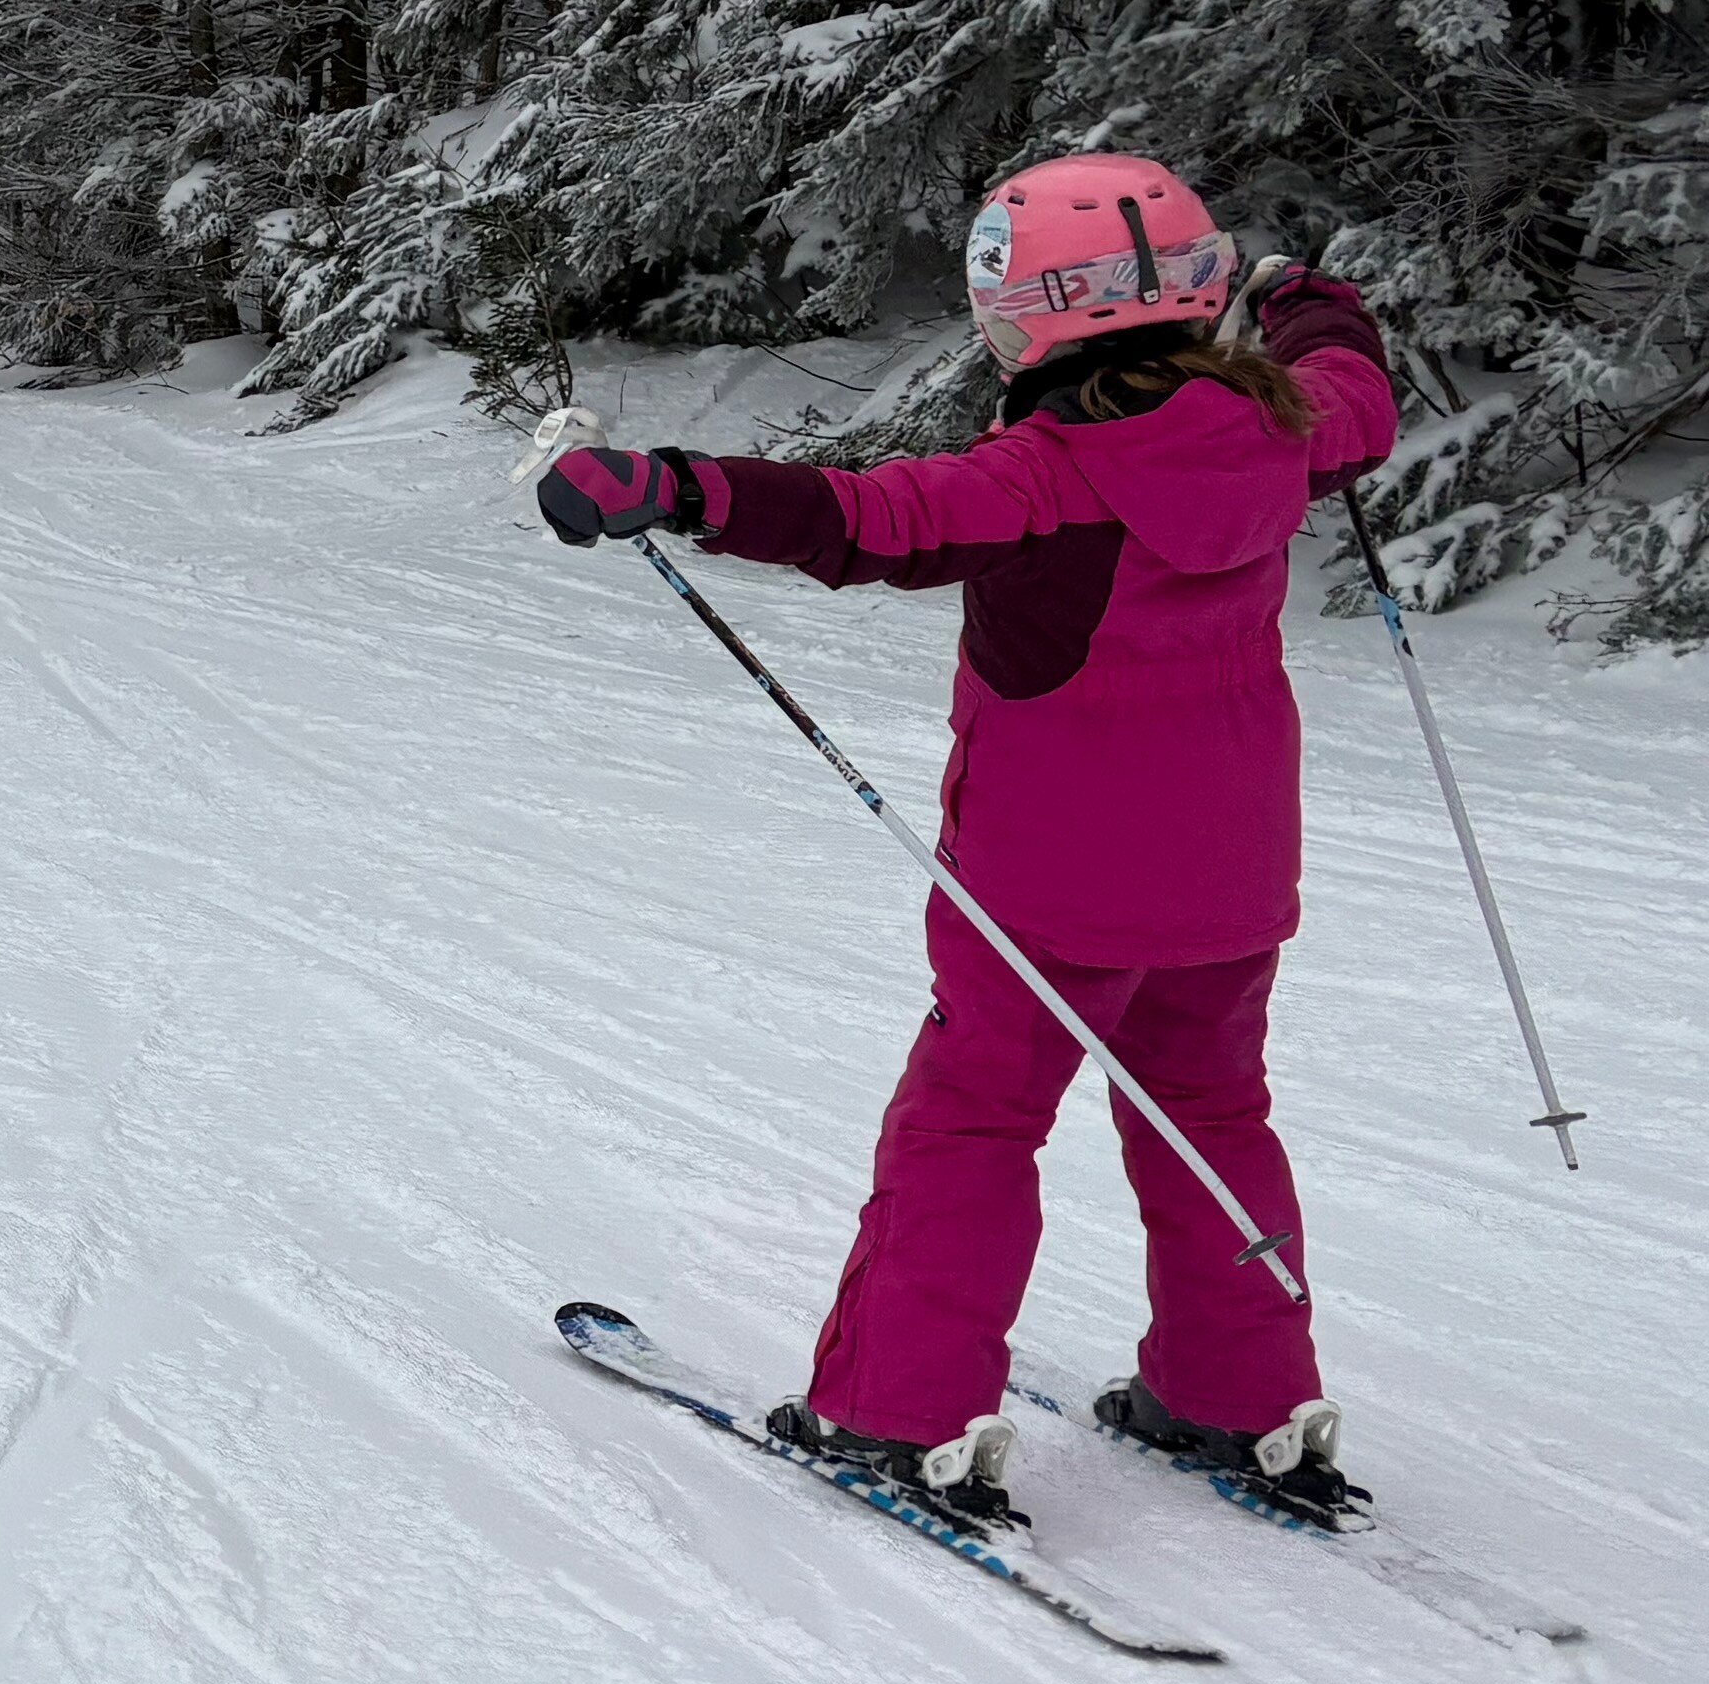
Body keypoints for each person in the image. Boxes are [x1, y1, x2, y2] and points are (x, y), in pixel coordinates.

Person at [534, 150, 1404, 1533]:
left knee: (975, 1121)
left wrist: (671, 484)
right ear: (1195, 290)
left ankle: (898, 1413)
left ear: (1035, 317)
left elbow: (866, 518)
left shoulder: (1045, 472)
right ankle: (1238, 1394)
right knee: (1212, 1111)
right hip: (1234, 881)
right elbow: (1357, 388)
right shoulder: (1284, 426)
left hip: (1046, 894)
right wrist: (1306, 299)